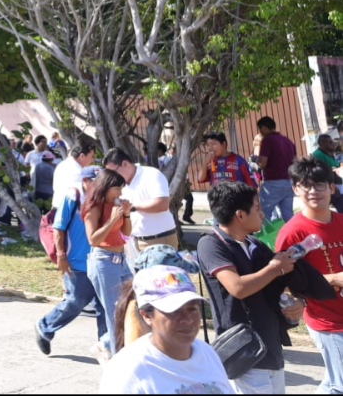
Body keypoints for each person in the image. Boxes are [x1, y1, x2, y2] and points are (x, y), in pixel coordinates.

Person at [197, 181, 301, 394]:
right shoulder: (211, 244)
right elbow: (237, 287)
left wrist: (298, 302)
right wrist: (275, 268)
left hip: (270, 345)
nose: (262, 214)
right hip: (244, 350)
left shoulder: (255, 244)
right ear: (240, 215)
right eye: (258, 209)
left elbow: (279, 284)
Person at [98, 266, 232, 394]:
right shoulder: (126, 369)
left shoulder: (206, 353)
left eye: (192, 309)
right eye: (174, 311)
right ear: (147, 316)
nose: (187, 319)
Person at [276, 157, 343, 393]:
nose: (314, 191)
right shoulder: (292, 232)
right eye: (306, 185)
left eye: (320, 185)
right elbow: (283, 280)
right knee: (340, 383)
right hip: (327, 321)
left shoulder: (342, 221)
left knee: (335, 380)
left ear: (332, 187)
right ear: (295, 189)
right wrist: (333, 278)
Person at [34, 166, 107, 358]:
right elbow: (58, 228)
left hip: (99, 260)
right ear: (85, 180)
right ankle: (45, 326)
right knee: (76, 301)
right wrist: (61, 256)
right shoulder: (71, 197)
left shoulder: (102, 198)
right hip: (76, 262)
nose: (100, 185)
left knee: (105, 306)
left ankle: (108, 348)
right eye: (96, 181)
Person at [81, 168, 133, 358]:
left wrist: (126, 214)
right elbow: (93, 239)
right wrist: (111, 220)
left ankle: (105, 343)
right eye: (117, 188)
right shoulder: (93, 208)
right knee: (114, 313)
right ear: (105, 186)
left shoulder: (115, 205)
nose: (120, 193)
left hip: (121, 260)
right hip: (103, 261)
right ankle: (119, 356)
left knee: (132, 304)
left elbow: (126, 233)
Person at [104, 148, 177, 252]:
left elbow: (162, 204)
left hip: (159, 240)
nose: (112, 177)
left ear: (124, 164)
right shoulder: (119, 185)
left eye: (113, 172)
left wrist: (132, 207)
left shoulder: (151, 174)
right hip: (134, 242)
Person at [253, 116, 297, 223]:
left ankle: (263, 238)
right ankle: (294, 237)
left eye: (260, 129)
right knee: (288, 214)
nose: (260, 132)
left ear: (263, 127)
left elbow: (262, 163)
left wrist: (255, 159)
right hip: (288, 182)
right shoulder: (287, 140)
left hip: (273, 182)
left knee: (262, 213)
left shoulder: (267, 140)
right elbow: (295, 161)